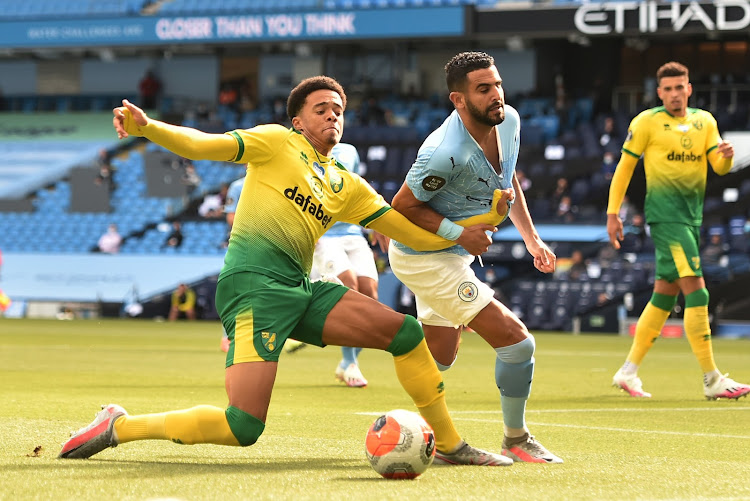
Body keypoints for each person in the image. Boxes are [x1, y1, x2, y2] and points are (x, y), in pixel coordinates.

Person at [59, 76, 514, 466]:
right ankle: (120, 425)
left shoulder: (347, 185)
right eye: (321, 110)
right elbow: (204, 144)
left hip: (301, 288)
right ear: (298, 120)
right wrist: (149, 128)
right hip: (253, 288)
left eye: (338, 110)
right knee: (243, 426)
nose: (332, 116)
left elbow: (408, 233)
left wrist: (465, 231)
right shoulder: (275, 142)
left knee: (408, 335)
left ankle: (452, 445)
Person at [389, 52, 562, 464]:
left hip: (449, 255)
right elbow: (402, 207)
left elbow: (508, 182)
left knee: (440, 358)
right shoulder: (445, 151)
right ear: (459, 99)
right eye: (483, 89)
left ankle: (407, 432)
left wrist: (532, 239)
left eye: (498, 84)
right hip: (425, 257)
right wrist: (461, 234)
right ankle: (515, 439)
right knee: (518, 344)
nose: (496, 95)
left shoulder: (510, 122)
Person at [607, 61, 750, 401]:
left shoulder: (705, 121)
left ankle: (628, 371)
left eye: (679, 87)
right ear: (659, 93)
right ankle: (712, 378)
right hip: (665, 216)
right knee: (697, 292)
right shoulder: (646, 122)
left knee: (664, 295)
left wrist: (727, 156)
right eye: (667, 89)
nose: (674, 94)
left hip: (691, 218)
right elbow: (624, 169)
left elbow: (719, 165)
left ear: (689, 88)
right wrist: (614, 213)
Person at [312, 142, 378, 388]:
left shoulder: (350, 150)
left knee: (370, 297)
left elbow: (357, 188)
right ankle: (351, 364)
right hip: (324, 236)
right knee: (348, 288)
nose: (331, 117)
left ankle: (346, 363)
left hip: (353, 234)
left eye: (337, 111)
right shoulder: (303, 152)